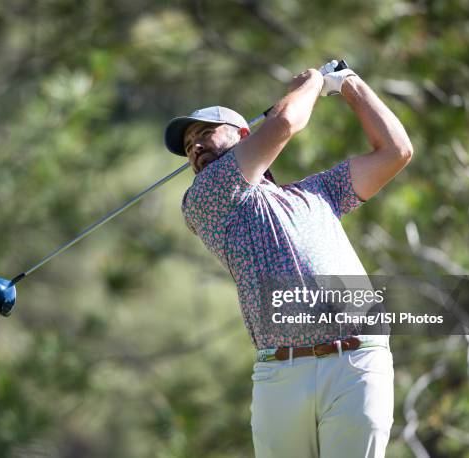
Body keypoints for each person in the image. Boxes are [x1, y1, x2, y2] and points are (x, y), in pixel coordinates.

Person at [163, 60, 413, 458]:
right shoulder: (207, 198)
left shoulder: (318, 194)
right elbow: (284, 125)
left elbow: (396, 151)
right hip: (281, 375)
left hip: (356, 363)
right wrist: (314, 81)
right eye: (189, 144)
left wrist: (349, 83)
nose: (195, 147)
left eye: (206, 133)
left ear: (243, 134)